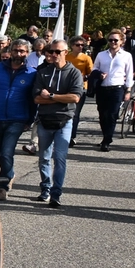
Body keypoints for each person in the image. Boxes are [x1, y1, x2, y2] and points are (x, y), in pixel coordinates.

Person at [0, 38, 35, 198]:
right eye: (16, 50)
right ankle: (9, 174)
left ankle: (3, 187)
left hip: (17, 118)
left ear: (27, 53)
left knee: (6, 152)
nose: (18, 53)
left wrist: (30, 120)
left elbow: (32, 101)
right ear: (11, 51)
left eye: (22, 51)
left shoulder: (32, 73)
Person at [31, 40, 84, 208]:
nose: (53, 55)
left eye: (57, 52)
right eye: (51, 51)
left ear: (65, 52)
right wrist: (60, 98)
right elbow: (37, 98)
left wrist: (52, 96)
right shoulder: (43, 72)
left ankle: (56, 193)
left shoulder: (74, 73)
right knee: (44, 158)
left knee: (60, 158)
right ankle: (45, 188)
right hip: (45, 120)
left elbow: (75, 98)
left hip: (64, 121)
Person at [92, 31, 134, 151]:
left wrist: (128, 90)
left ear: (121, 41)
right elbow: (95, 68)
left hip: (117, 88)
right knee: (102, 114)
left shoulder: (126, 56)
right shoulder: (101, 55)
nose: (113, 42)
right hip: (103, 88)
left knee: (112, 114)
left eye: (116, 40)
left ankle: (107, 140)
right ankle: (106, 135)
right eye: (110, 40)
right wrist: (99, 74)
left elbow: (129, 73)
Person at [68, 35, 94, 144]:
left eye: (82, 45)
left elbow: (91, 72)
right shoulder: (66, 57)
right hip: (67, 87)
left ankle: (71, 136)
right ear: (72, 46)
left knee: (75, 113)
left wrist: (85, 77)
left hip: (81, 87)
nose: (80, 47)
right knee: (66, 112)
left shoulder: (86, 58)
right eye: (77, 45)